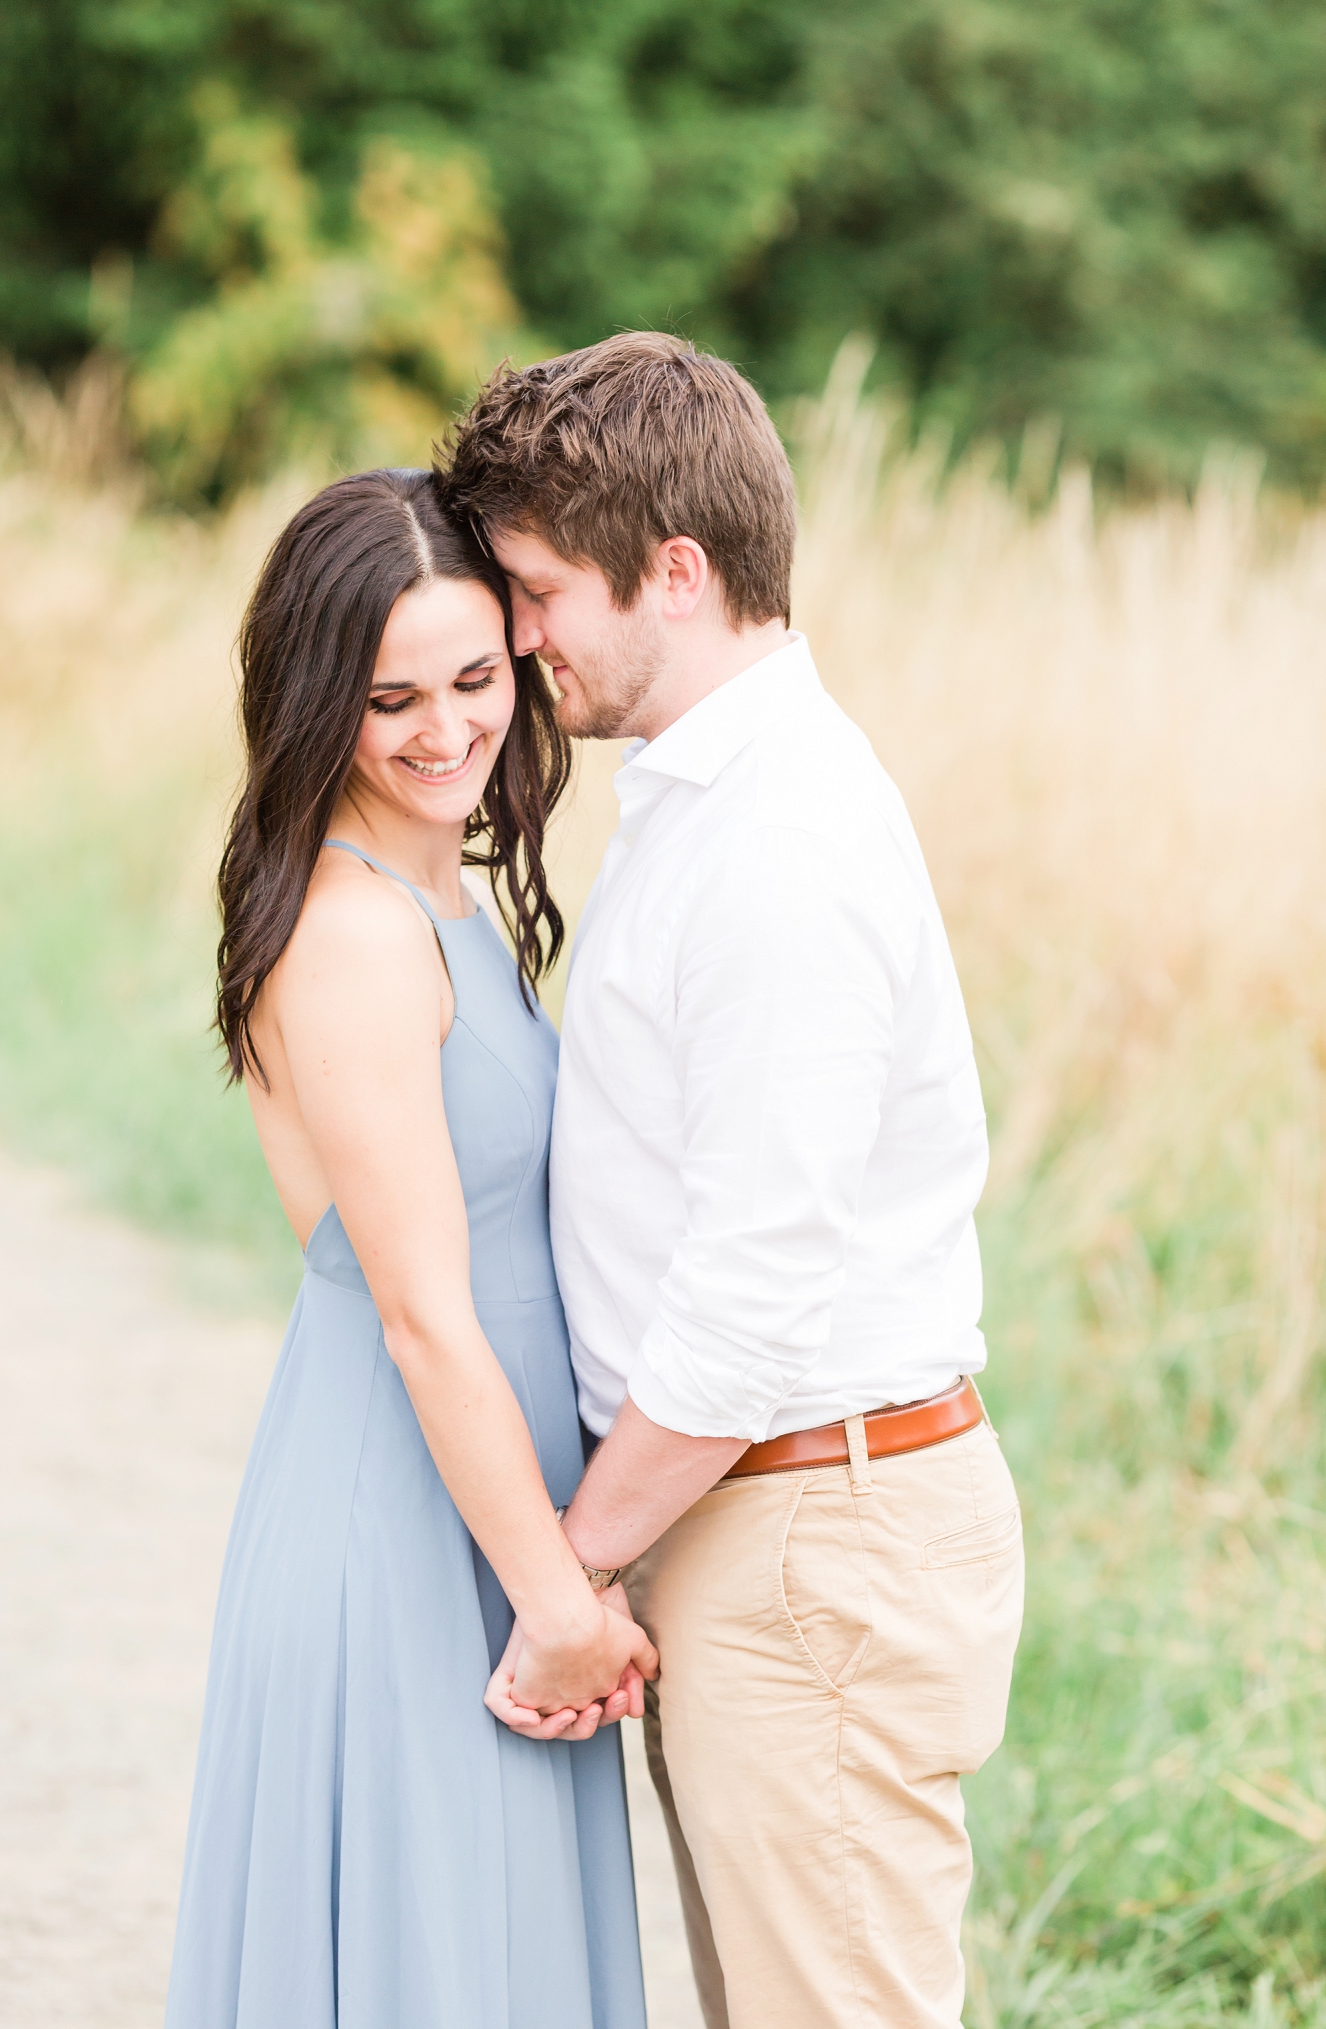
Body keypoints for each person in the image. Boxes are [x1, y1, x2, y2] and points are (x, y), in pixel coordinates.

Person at [441, 333, 1027, 2029]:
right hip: (756, 1518)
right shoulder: (707, 798)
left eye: (540, 589)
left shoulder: (779, 838)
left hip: (802, 1535)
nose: (521, 634)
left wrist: (576, 1567)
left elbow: (757, 1283)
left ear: (676, 571)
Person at [163, 468, 655, 2029]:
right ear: (321, 702)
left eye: (471, 676)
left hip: (471, 1501)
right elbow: (418, 1313)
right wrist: (559, 1597)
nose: (446, 730)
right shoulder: (357, 930)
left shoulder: (442, 900)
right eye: (390, 698)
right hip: (419, 1529)